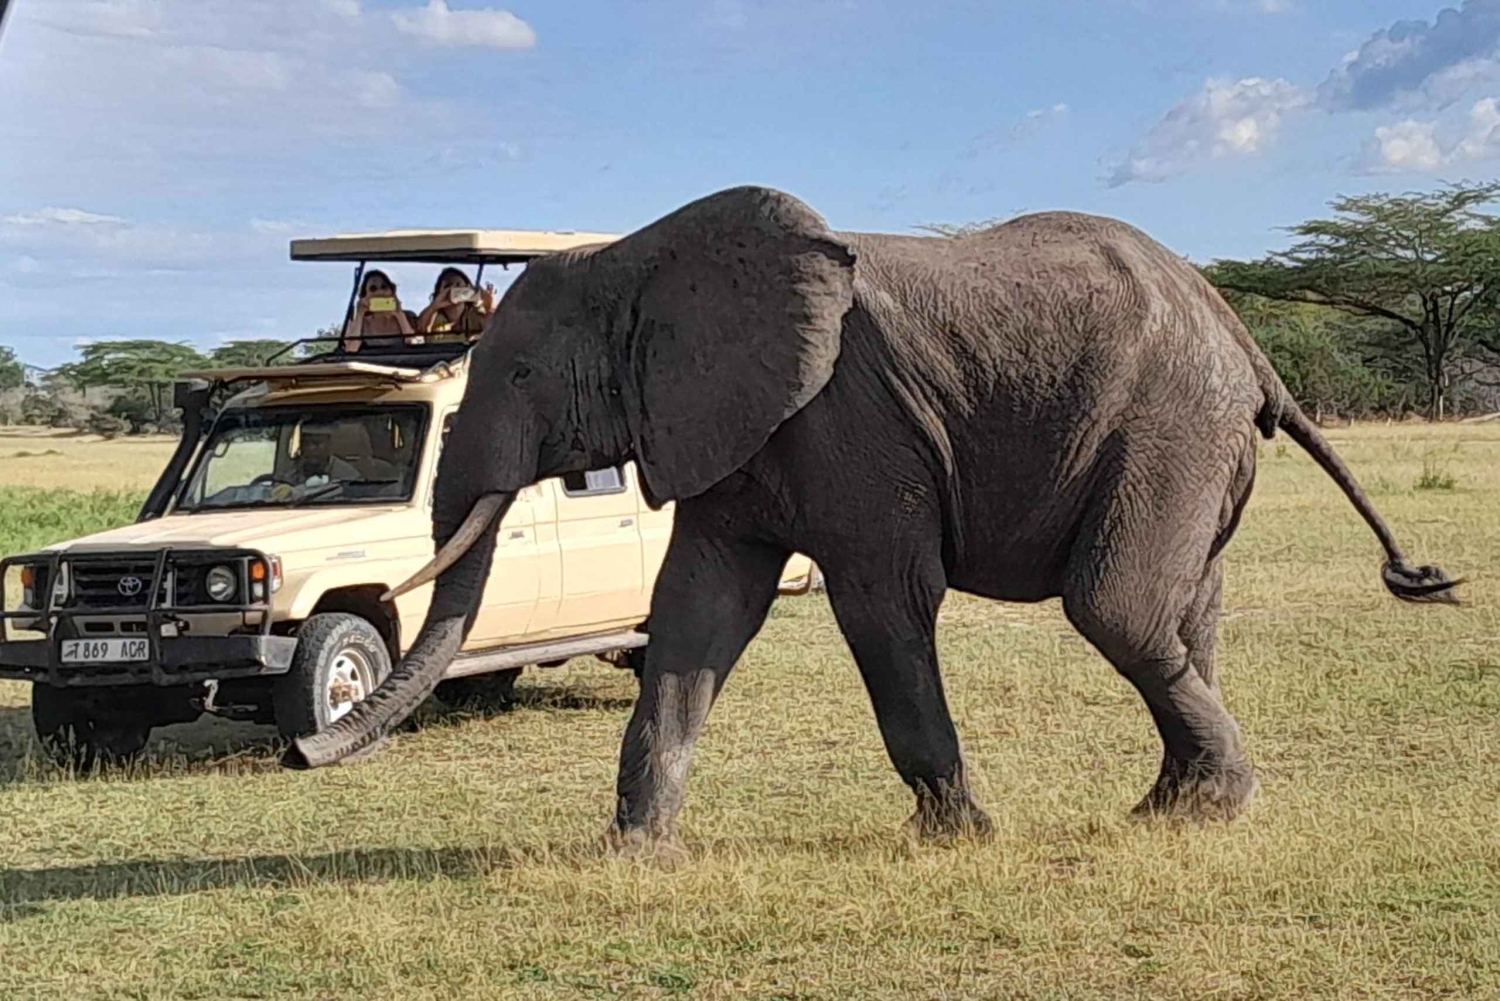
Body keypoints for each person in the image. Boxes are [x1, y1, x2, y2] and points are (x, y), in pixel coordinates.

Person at [342, 270, 418, 352]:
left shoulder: (408, 316)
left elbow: (414, 345)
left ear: (392, 291)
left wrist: (399, 315)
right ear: (365, 296)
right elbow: (351, 350)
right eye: (373, 289)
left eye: (384, 287)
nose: (379, 292)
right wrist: (359, 315)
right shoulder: (356, 323)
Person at [415, 267, 495, 343]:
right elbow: (420, 327)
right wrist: (436, 305)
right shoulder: (433, 316)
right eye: (448, 286)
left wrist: (489, 304)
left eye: (458, 285)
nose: (453, 290)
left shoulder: (474, 315)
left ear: (467, 288)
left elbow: (496, 327)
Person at [295, 428, 361, 485]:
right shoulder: (293, 474)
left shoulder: (347, 475)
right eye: (305, 443)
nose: (310, 448)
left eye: (316, 443)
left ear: (329, 444)